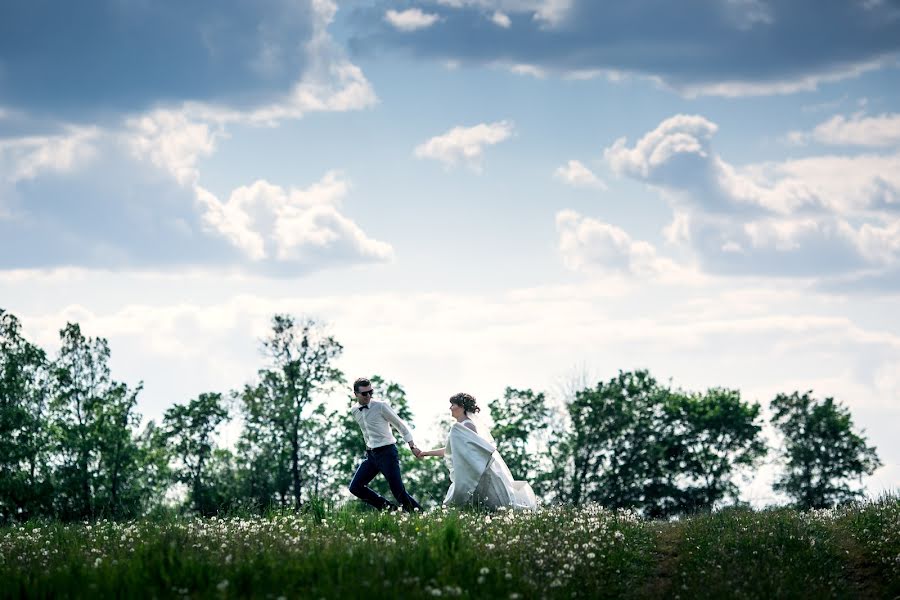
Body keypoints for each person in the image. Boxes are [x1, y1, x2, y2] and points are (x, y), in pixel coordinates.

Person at [417, 392, 536, 509]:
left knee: (489, 503)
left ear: (462, 407)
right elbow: (450, 450)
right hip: (465, 470)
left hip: (476, 471)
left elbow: (477, 450)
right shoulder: (457, 427)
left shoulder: (468, 425)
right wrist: (426, 453)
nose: (450, 408)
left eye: (453, 404)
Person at [348, 377, 422, 512]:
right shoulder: (354, 410)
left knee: (398, 491)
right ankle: (389, 509)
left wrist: (412, 446)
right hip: (371, 456)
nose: (368, 395)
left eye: (371, 392)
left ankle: (420, 515)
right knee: (355, 487)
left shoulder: (381, 406)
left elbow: (400, 425)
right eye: (364, 393)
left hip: (387, 453)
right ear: (356, 394)